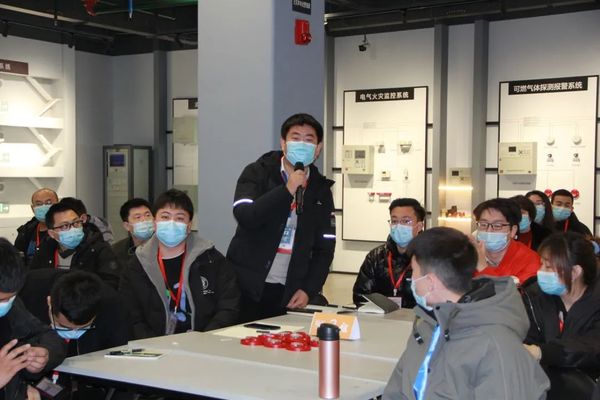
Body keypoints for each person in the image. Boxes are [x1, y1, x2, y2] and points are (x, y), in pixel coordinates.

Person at [383, 227, 549, 400]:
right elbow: (397, 389)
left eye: (414, 273)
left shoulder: (495, 345)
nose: (412, 280)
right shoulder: (426, 326)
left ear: (430, 282)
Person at [227, 113, 336, 322]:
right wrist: (287, 190)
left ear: (318, 149)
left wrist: (308, 289)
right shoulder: (257, 173)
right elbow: (246, 216)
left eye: (309, 140)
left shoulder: (321, 190)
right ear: (283, 143)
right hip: (247, 285)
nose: (301, 144)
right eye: (295, 138)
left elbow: (325, 248)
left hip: (290, 291)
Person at [121, 189, 240, 339]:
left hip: (204, 343)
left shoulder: (211, 260)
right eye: (165, 217)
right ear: (155, 223)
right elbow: (131, 317)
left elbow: (229, 306)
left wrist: (205, 339)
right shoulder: (136, 266)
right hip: (153, 346)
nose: (171, 223)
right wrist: (154, 345)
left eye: (179, 218)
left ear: (189, 226)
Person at [522, 232, 600, 379]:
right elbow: (526, 338)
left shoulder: (595, 301)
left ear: (575, 272)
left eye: (548, 267)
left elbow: (592, 347)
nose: (540, 272)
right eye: (541, 264)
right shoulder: (534, 296)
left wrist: (542, 352)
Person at [0, 238, 65, 400]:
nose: (5, 305)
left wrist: (44, 355)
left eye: (10, 298)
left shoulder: (11, 308)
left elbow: (46, 334)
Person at [19, 269, 130, 357]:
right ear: (50, 303)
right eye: (64, 327)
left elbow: (118, 354)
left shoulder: (113, 305)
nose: (73, 334)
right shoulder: (27, 292)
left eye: (83, 328)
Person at [28, 202, 121, 289]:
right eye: (64, 226)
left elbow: (111, 286)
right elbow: (33, 283)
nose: (73, 229)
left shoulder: (99, 249)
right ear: (52, 233)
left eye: (76, 223)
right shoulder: (44, 251)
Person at [352, 198, 423, 308]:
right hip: (382, 317)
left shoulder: (430, 258)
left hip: (417, 317)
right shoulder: (375, 257)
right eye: (394, 221)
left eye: (406, 221)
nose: (398, 226)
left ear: (419, 226)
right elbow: (361, 296)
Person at [472, 198, 540, 285]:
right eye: (483, 224)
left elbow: (515, 293)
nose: (489, 230)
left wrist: (483, 268)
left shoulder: (530, 260)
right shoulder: (468, 256)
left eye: (497, 225)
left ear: (513, 231)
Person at [14, 188, 59, 264]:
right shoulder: (26, 232)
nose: (44, 207)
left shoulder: (66, 230)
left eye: (48, 203)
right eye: (39, 204)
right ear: (32, 208)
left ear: (58, 204)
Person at [112, 198, 154, 270]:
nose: (144, 220)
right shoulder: (116, 251)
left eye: (147, 215)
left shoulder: (164, 246)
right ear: (127, 226)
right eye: (138, 217)